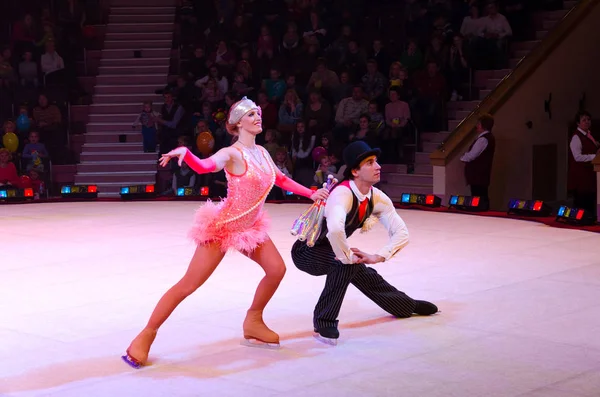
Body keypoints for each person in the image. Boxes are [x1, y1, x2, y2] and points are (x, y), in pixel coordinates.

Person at [122, 97, 329, 368]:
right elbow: (207, 165)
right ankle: (146, 334)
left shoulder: (263, 153)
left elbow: (281, 179)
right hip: (224, 228)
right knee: (189, 285)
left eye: (259, 113)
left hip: (250, 228)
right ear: (237, 123)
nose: (258, 117)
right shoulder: (231, 153)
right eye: (252, 114)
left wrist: (312, 193)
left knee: (276, 270)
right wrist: (188, 154)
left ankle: (253, 320)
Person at [291, 141, 438, 345]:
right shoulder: (341, 194)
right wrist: (347, 256)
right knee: (345, 264)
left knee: (361, 271)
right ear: (355, 171)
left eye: (376, 161)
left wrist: (376, 256)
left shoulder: (377, 198)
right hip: (306, 252)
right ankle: (324, 320)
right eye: (370, 162)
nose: (378, 167)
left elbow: (401, 232)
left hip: (331, 248)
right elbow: (334, 228)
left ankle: (404, 305)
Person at [460, 113, 496, 210]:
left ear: (483, 125)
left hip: (479, 174)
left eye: (479, 124)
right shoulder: (486, 138)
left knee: (479, 196)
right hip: (480, 175)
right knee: (480, 195)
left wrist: (463, 158)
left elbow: (472, 155)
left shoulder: (483, 139)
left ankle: (480, 213)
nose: (477, 126)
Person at [567, 110, 599, 215]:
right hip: (581, 178)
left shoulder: (588, 134)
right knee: (582, 205)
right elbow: (577, 157)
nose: (587, 122)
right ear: (578, 123)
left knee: (589, 204)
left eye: (588, 120)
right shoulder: (576, 137)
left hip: (590, 176)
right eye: (584, 120)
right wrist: (595, 156)